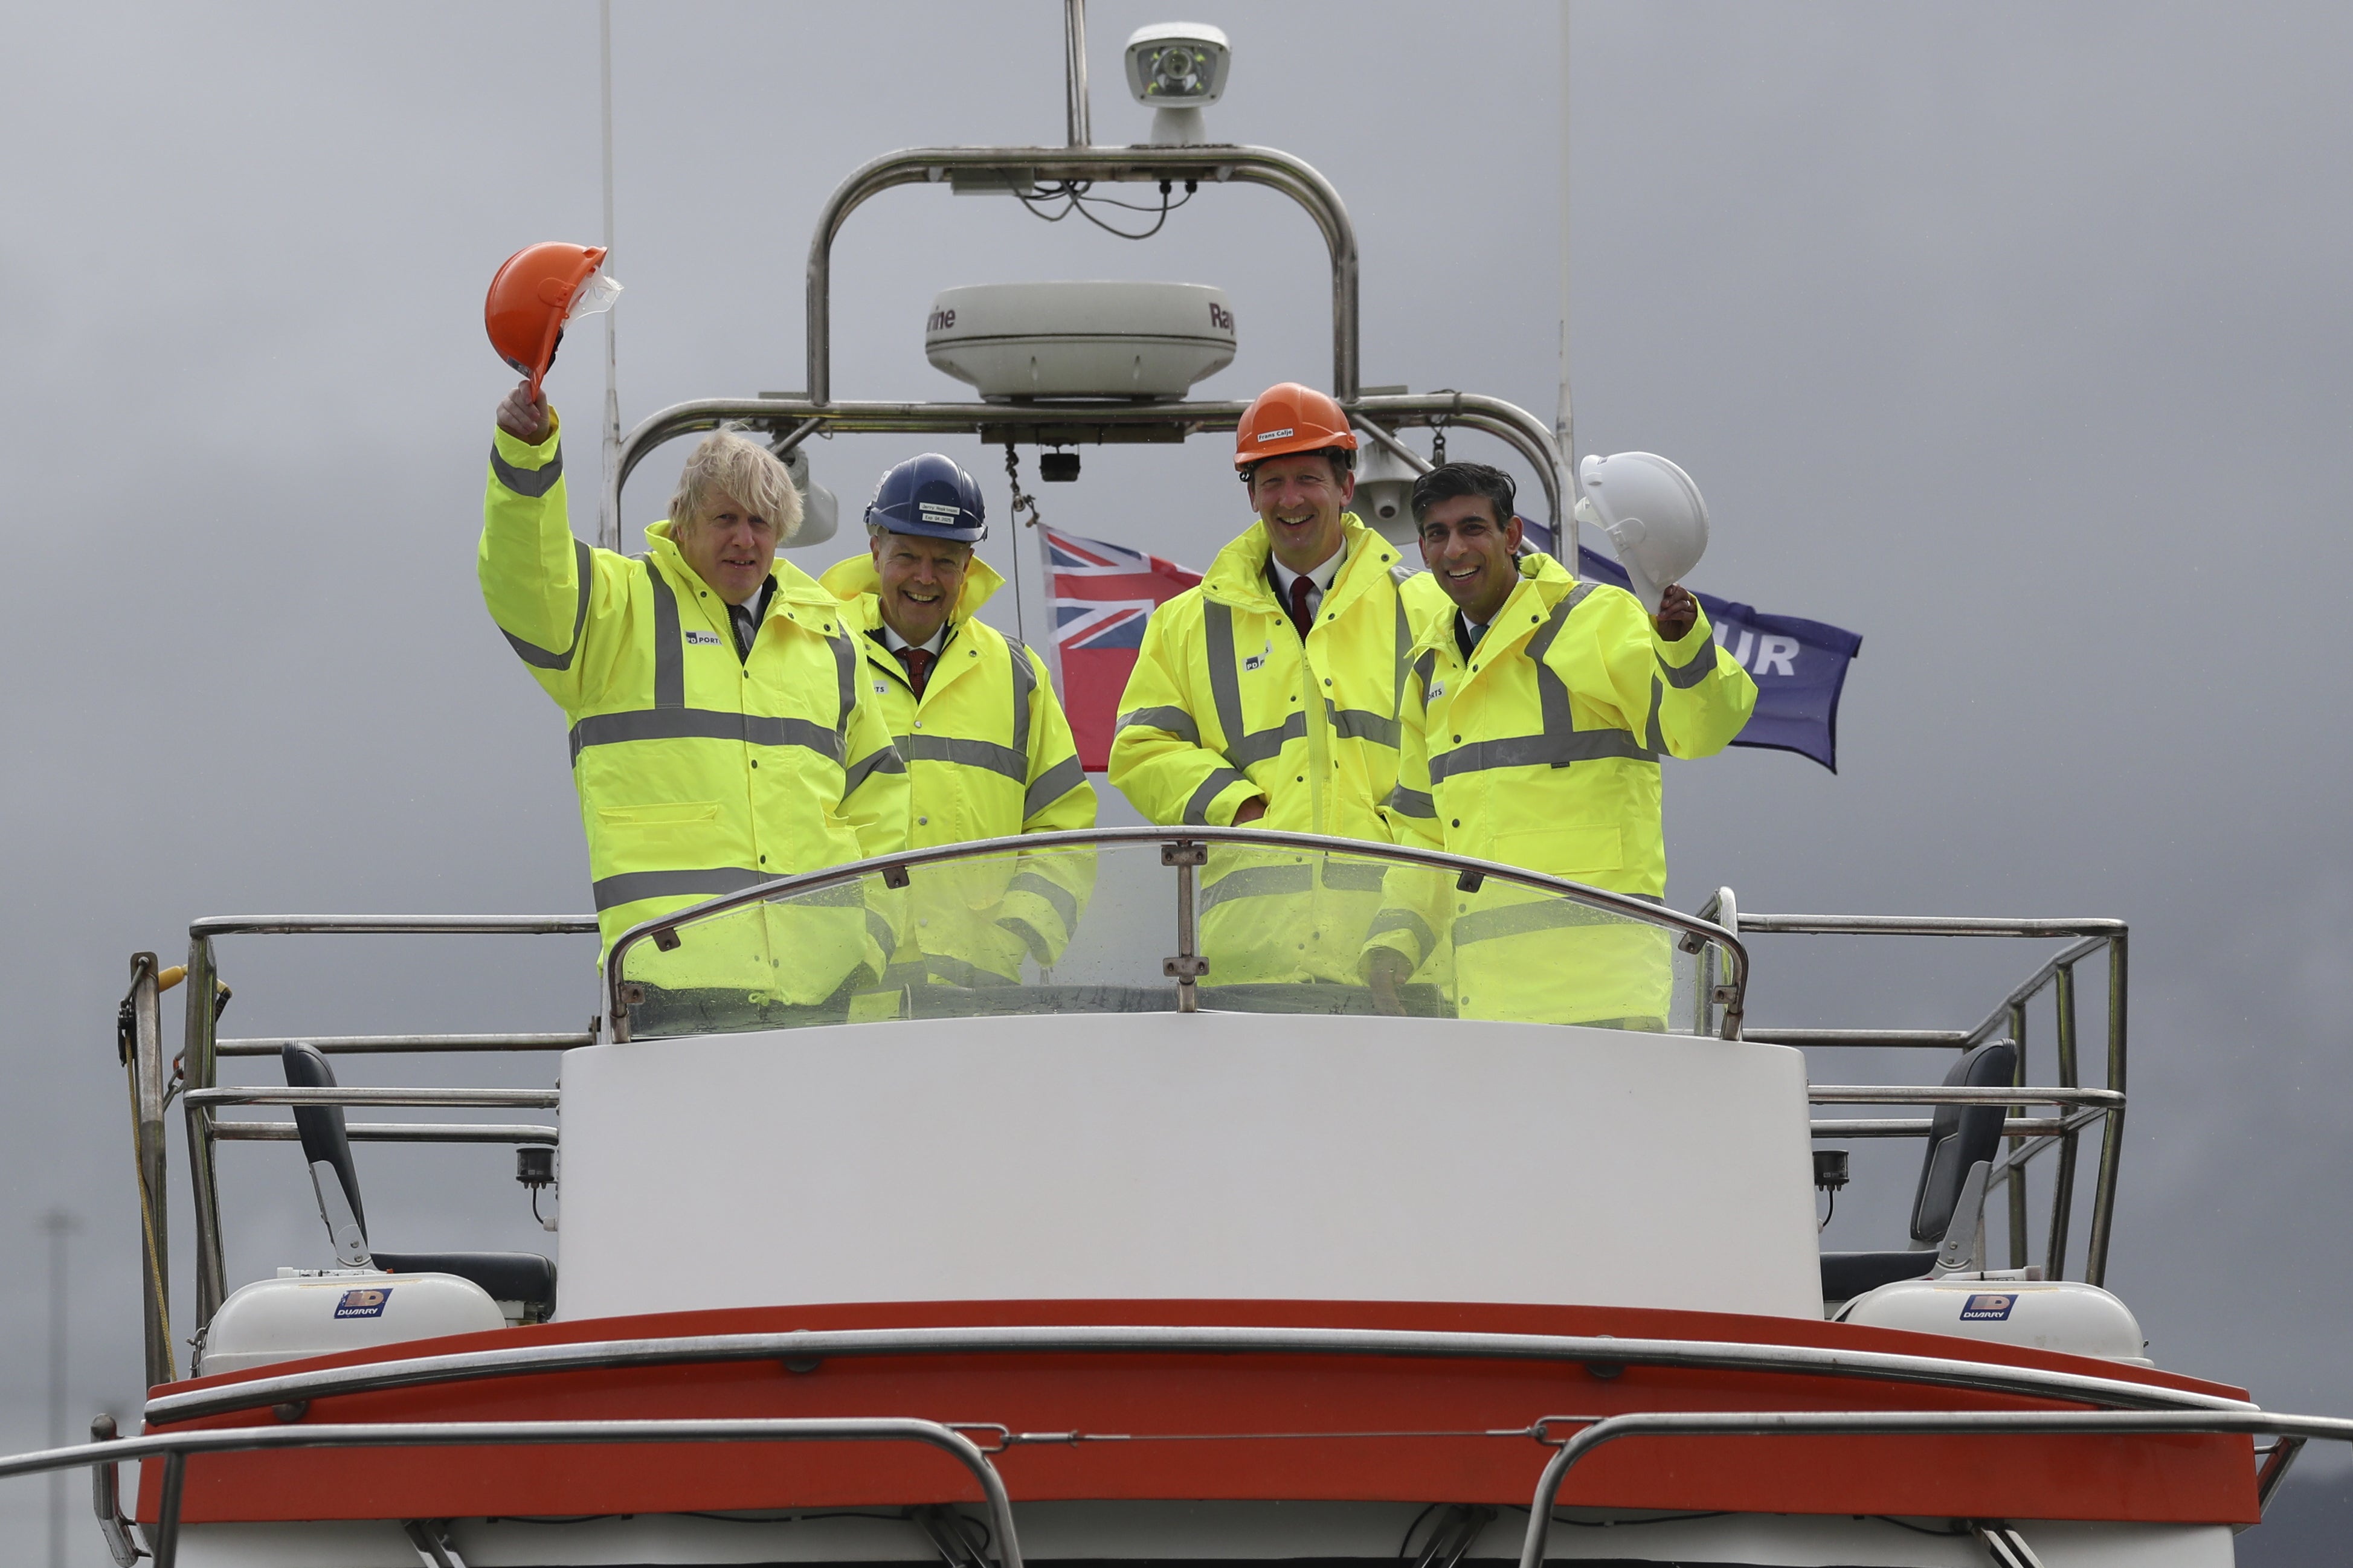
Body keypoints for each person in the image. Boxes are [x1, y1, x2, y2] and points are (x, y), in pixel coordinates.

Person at [480, 382, 908, 1012]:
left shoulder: (829, 637)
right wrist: (527, 455)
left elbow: (879, 798)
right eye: (725, 518)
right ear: (683, 522)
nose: (745, 539)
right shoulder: (616, 608)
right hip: (671, 989)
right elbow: (527, 579)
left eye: (761, 522)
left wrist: (872, 935)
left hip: (824, 989)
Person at [1363, 462, 1756, 1026]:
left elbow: (1699, 730)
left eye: (1472, 528)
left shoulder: (1593, 618)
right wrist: (1393, 943)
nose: (1454, 549)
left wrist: (1680, 641)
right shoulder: (1430, 671)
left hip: (1605, 1000)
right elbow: (1421, 833)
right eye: (1436, 534)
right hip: (1485, 1006)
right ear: (1422, 551)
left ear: (1512, 535)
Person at [1109, 382, 1419, 995]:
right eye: (1270, 482)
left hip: (1400, 958)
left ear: (1346, 487)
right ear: (1251, 493)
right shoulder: (1184, 623)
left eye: (1307, 477)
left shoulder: (1425, 610)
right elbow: (1140, 750)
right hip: (1246, 965)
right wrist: (1239, 809)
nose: (1290, 499)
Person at [820, 454, 1096, 991]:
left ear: (968, 564)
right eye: (907, 556)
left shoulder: (1019, 677)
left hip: (980, 999)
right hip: (846, 995)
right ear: (875, 549)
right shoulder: (818, 658)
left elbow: (1064, 825)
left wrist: (1017, 935)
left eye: (945, 561)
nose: (925, 578)